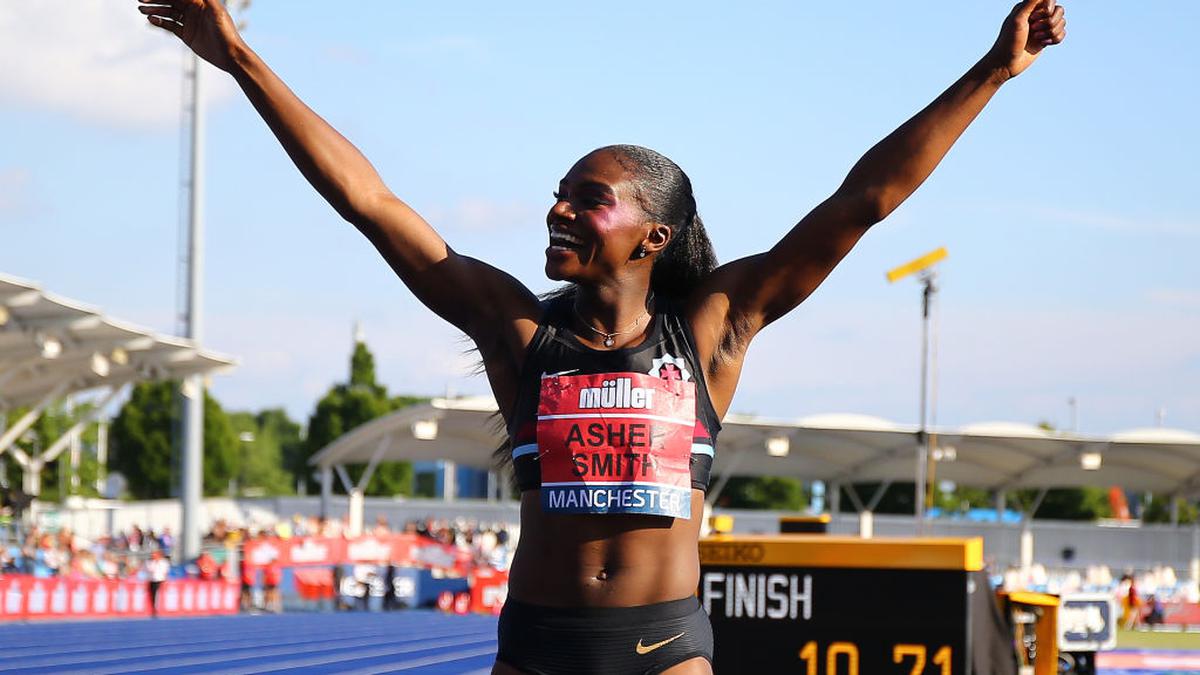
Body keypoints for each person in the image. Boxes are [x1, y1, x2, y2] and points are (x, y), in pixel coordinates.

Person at [139, 1, 1066, 671]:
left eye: (588, 196)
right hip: (535, 649)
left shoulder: (713, 327)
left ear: (652, 234)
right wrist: (240, 59)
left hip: (664, 651)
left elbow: (864, 201)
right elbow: (369, 202)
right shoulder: (518, 332)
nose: (557, 207)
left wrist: (991, 69)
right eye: (559, 190)